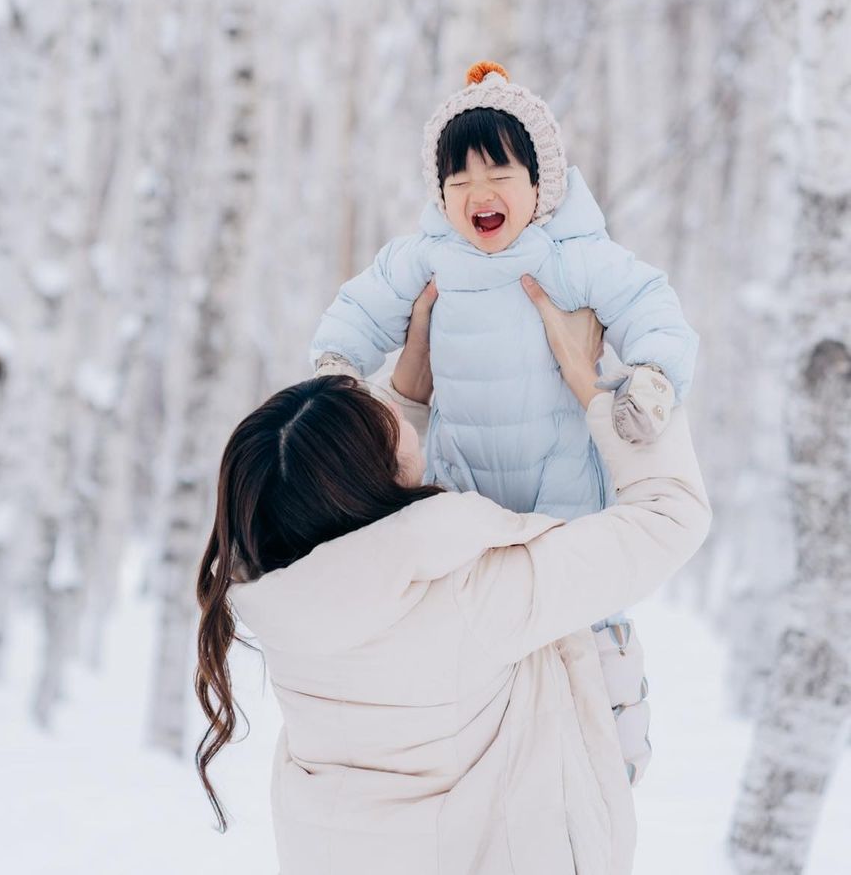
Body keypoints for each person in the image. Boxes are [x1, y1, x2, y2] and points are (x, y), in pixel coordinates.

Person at [195, 278, 711, 874]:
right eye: (373, 411)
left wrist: (408, 391)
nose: (381, 393)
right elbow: (670, 518)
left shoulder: (286, 607)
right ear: (377, 474)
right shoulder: (473, 597)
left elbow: (362, 529)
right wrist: (594, 384)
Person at [309, 59, 700, 781]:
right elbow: (364, 304)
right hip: (466, 504)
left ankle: (616, 759)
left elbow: (651, 304)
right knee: (478, 650)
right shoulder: (429, 257)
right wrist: (337, 364)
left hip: (564, 508)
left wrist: (651, 375)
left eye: (498, 177)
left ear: (539, 185)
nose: (478, 196)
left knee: (588, 629)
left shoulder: (574, 257)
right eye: (458, 183)